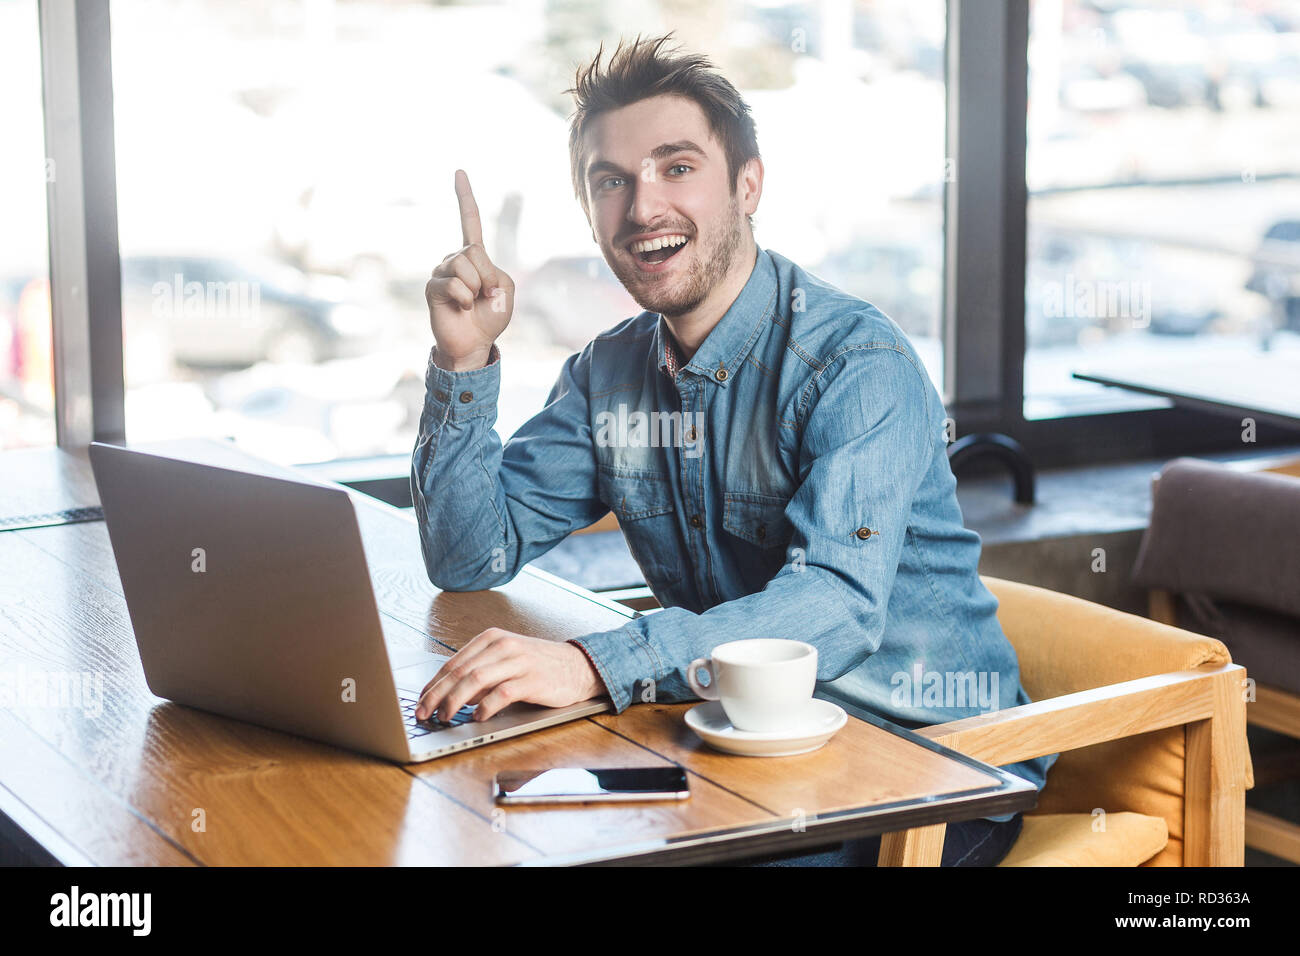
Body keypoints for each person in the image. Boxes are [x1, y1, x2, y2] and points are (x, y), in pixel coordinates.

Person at [410, 34, 1056, 866]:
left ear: (748, 184)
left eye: (677, 167)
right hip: (743, 741)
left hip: (929, 767)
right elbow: (469, 553)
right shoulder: (610, 373)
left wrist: (593, 664)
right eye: (612, 181)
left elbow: (836, 605)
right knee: (496, 829)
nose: (643, 208)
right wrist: (462, 361)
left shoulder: (857, 366)